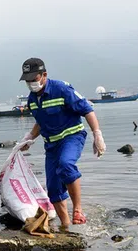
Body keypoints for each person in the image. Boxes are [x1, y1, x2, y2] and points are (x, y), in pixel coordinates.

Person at [19, 58, 106, 227]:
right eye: (27, 80)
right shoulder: (32, 100)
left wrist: (97, 134)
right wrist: (29, 137)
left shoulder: (61, 89)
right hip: (51, 145)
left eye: (34, 79)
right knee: (53, 189)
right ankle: (67, 227)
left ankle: (78, 210)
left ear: (44, 75)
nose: (31, 83)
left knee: (66, 165)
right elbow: (40, 122)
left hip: (72, 137)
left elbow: (87, 110)